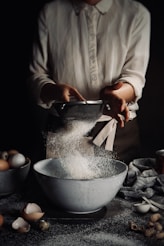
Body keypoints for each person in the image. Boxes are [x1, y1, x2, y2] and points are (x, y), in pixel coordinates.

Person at [27, 0, 151, 164]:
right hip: (64, 131)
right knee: (63, 187)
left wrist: (116, 95)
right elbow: (35, 74)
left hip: (117, 129)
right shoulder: (51, 12)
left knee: (125, 188)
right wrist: (54, 91)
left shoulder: (136, 13)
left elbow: (135, 77)